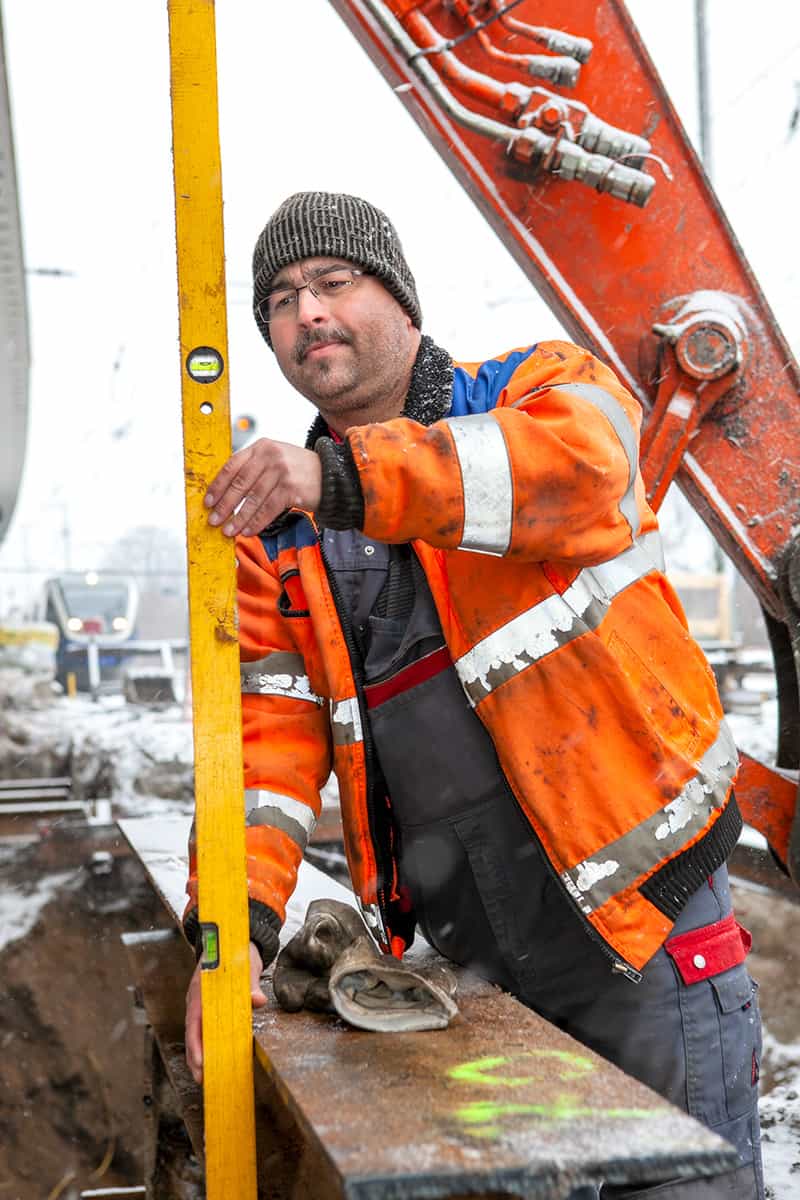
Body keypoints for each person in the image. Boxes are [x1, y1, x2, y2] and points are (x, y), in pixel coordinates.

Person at [183, 191, 763, 1198]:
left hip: (645, 928)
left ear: (402, 306)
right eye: (279, 298)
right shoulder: (277, 541)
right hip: (476, 973)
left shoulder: (536, 390)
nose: (307, 312)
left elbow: (588, 474)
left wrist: (343, 479)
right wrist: (226, 943)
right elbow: (262, 757)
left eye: (334, 281)